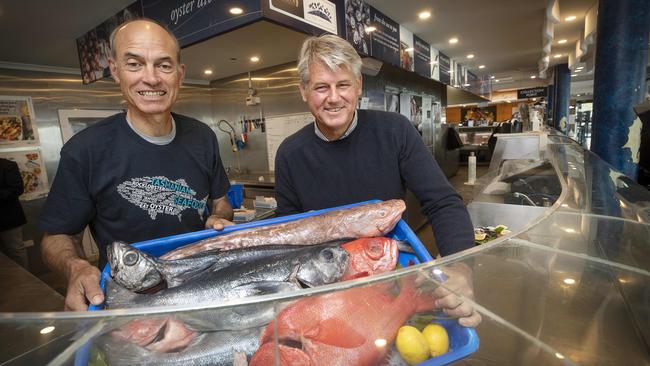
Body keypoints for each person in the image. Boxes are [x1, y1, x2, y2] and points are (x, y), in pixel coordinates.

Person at [274, 34, 480, 327]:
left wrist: (459, 265)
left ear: (358, 86)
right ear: (304, 91)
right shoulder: (289, 153)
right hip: (324, 290)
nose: (333, 97)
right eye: (321, 87)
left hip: (391, 278)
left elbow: (443, 202)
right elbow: (288, 232)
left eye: (343, 84)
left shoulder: (395, 131)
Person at [39, 19, 233, 311]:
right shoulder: (85, 150)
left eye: (164, 65)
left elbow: (221, 202)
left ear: (180, 74)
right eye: (135, 64)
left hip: (201, 287)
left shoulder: (203, 137)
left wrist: (217, 218)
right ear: (115, 70)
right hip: (129, 300)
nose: (151, 78)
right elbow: (56, 236)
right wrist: (75, 267)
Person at [0, 158, 29, 269]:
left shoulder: (8, 165)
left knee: (16, 251)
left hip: (9, 219)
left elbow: (17, 189)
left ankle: (25, 282)